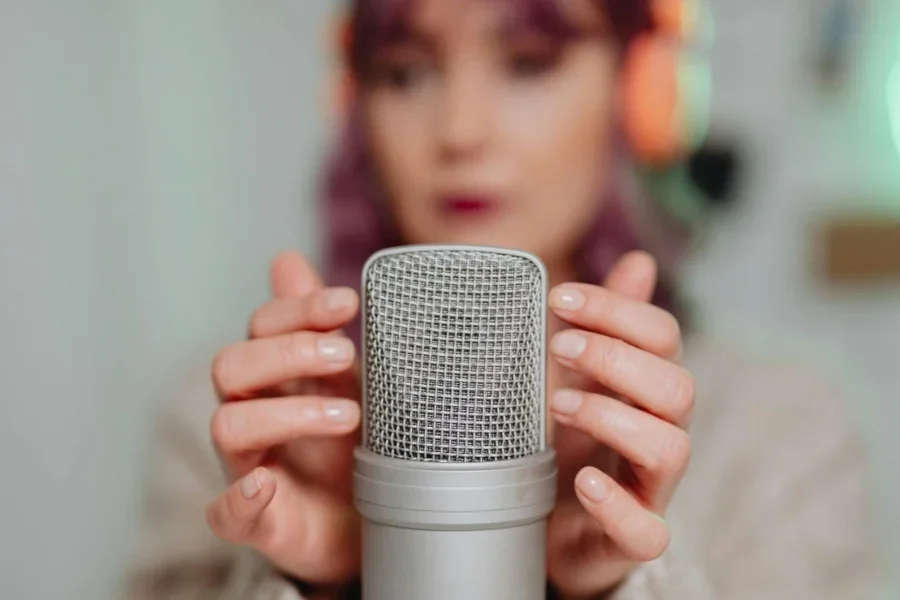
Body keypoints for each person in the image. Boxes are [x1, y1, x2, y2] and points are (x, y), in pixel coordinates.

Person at [121, 0, 885, 598]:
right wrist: (319, 576)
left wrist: (618, 583)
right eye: (404, 72)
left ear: (636, 89)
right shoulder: (229, 422)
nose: (460, 131)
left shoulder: (782, 428)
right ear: (357, 106)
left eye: (527, 63)